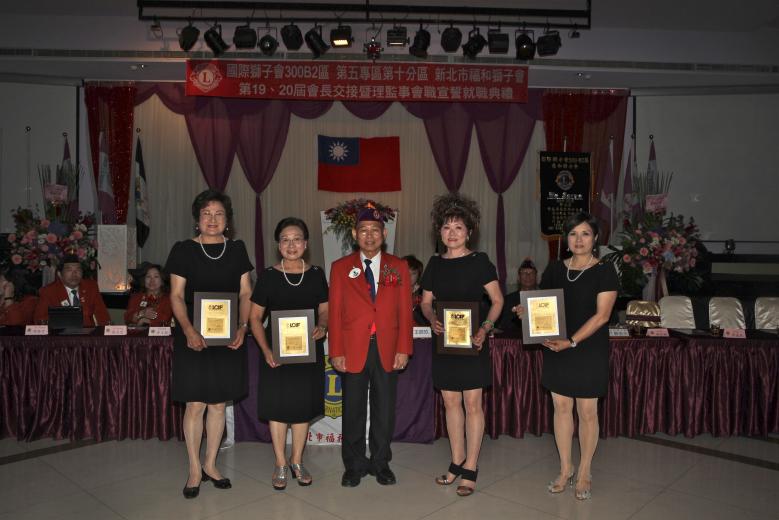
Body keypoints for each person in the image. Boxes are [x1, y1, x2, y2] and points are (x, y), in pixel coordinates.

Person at [513, 212, 618, 500]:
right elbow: (543, 305)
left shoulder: (604, 270)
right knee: (560, 407)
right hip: (557, 347)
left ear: (595, 238)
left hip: (588, 349)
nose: (579, 239)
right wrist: (526, 313)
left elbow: (602, 316)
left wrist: (571, 341)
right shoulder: (556, 269)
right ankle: (565, 468)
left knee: (587, 411)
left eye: (585, 233)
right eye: (573, 234)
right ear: (566, 239)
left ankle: (584, 471)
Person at [164, 190, 253, 499]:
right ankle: (193, 469)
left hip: (227, 338)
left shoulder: (237, 249)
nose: (212, 219)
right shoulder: (183, 250)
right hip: (193, 337)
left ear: (227, 220)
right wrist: (188, 330)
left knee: (217, 403)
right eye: (206, 214)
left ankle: (211, 464)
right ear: (197, 220)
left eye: (218, 214)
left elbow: (245, 292)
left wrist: (243, 326)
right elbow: (176, 295)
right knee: (195, 404)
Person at [419, 193, 504, 497]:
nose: (451, 233)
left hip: (473, 343)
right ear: (439, 232)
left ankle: (471, 466)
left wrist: (485, 329)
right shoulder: (434, 264)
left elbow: (498, 301)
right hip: (445, 343)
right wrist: (431, 318)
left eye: (458, 227)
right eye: (446, 227)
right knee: (450, 403)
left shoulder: (480, 262)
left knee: (473, 404)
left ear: (469, 232)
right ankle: (456, 461)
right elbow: (425, 302)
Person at [329, 205, 413, 488]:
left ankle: (380, 463)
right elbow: (335, 313)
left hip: (387, 347)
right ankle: (353, 465)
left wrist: (404, 348)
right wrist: (336, 351)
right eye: (363, 230)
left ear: (384, 234)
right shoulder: (340, 268)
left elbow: (405, 311)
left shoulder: (398, 266)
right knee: (352, 409)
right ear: (355, 234)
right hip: (352, 347)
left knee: (384, 410)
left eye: (374, 230)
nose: (369, 235)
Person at [249, 217, 329, 490]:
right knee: (278, 408)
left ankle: (297, 461)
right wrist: (265, 350)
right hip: (276, 354)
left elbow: (325, 309)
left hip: (308, 352)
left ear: (306, 244)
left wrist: (323, 325)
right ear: (278, 245)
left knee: (302, 408)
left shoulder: (316, 274)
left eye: (296, 239)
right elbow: (255, 318)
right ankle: (280, 463)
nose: (291, 245)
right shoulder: (268, 276)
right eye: (285, 239)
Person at [33, 254, 110, 326]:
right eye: (69, 270)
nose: (74, 274)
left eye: (78, 270)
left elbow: (102, 315)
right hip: (60, 333)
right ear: (59, 274)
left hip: (89, 333)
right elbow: (40, 320)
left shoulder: (91, 287)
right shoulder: (49, 291)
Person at [124, 262, 173, 326]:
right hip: (137, 332)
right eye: (148, 276)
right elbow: (127, 318)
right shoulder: (136, 297)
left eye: (156, 277)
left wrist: (144, 320)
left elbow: (166, 319)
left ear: (162, 281)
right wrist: (142, 313)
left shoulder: (168, 299)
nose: (152, 280)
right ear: (144, 280)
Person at [497, 257, 538, 332]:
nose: (528, 275)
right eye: (524, 273)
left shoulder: (543, 299)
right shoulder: (508, 300)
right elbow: (502, 325)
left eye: (532, 273)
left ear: (536, 277)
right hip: (514, 338)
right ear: (518, 277)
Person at [402, 254, 428, 326]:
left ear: (418, 275)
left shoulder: (424, 293)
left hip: (419, 330)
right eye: (406, 272)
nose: (409, 276)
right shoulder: (392, 291)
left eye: (413, 273)